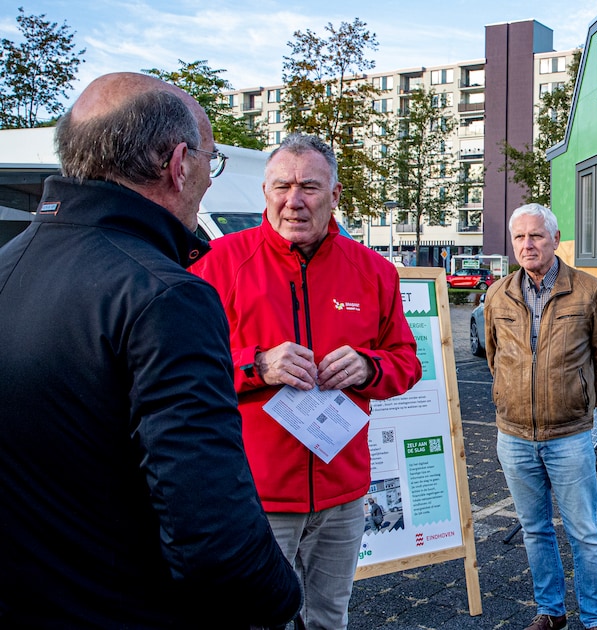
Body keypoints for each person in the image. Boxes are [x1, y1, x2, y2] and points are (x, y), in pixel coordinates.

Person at [0, 72, 302, 628]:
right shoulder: (165, 296)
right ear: (179, 162)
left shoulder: (9, 264)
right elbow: (209, 529)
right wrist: (283, 599)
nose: (209, 179)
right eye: (212, 160)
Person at [191, 133, 422, 630]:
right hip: (256, 496)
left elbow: (406, 361)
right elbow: (186, 369)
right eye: (281, 186)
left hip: (343, 497)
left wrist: (368, 366)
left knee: (328, 620)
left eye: (309, 187)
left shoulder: (374, 272)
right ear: (265, 191)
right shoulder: (220, 264)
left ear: (335, 195)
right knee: (258, 620)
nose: (293, 201)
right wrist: (256, 367)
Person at [484, 203, 597, 630]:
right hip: (515, 436)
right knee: (534, 529)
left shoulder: (588, 290)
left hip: (569, 435)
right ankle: (551, 611)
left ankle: (596, 619)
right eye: (520, 237)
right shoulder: (498, 293)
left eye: (537, 236)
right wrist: (513, 395)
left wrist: (580, 400)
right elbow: (494, 357)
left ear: (556, 240)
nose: (528, 245)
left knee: (585, 534)